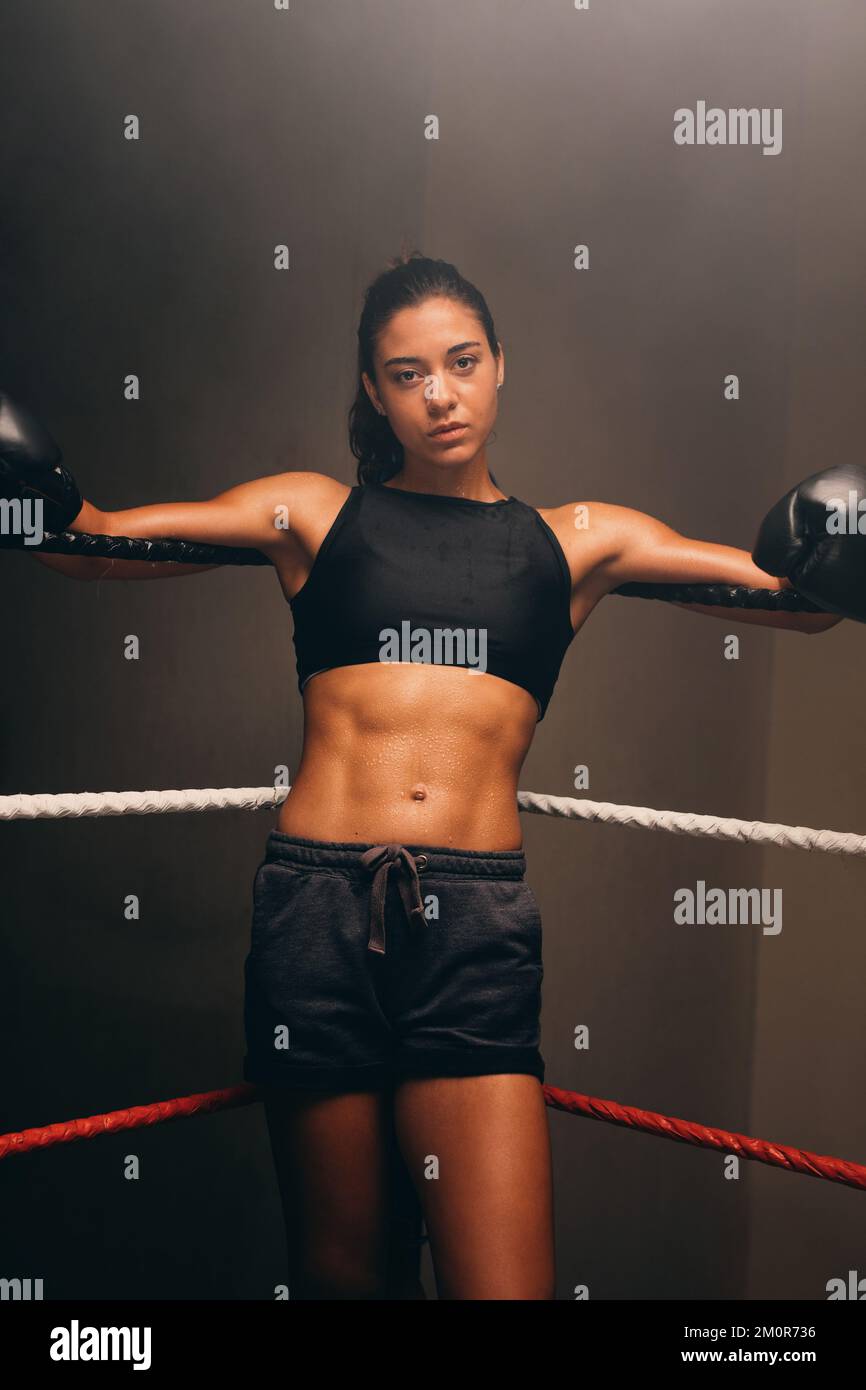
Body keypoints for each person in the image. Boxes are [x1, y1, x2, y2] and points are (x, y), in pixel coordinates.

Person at [4, 252, 854, 1301]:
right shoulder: (312, 514)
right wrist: (26, 490)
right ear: (372, 390)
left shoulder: (578, 540)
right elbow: (87, 543)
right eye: (406, 374)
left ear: (500, 365)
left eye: (459, 362)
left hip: (470, 932)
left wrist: (841, 540)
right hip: (314, 913)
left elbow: (800, 598)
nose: (438, 393)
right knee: (341, 1278)